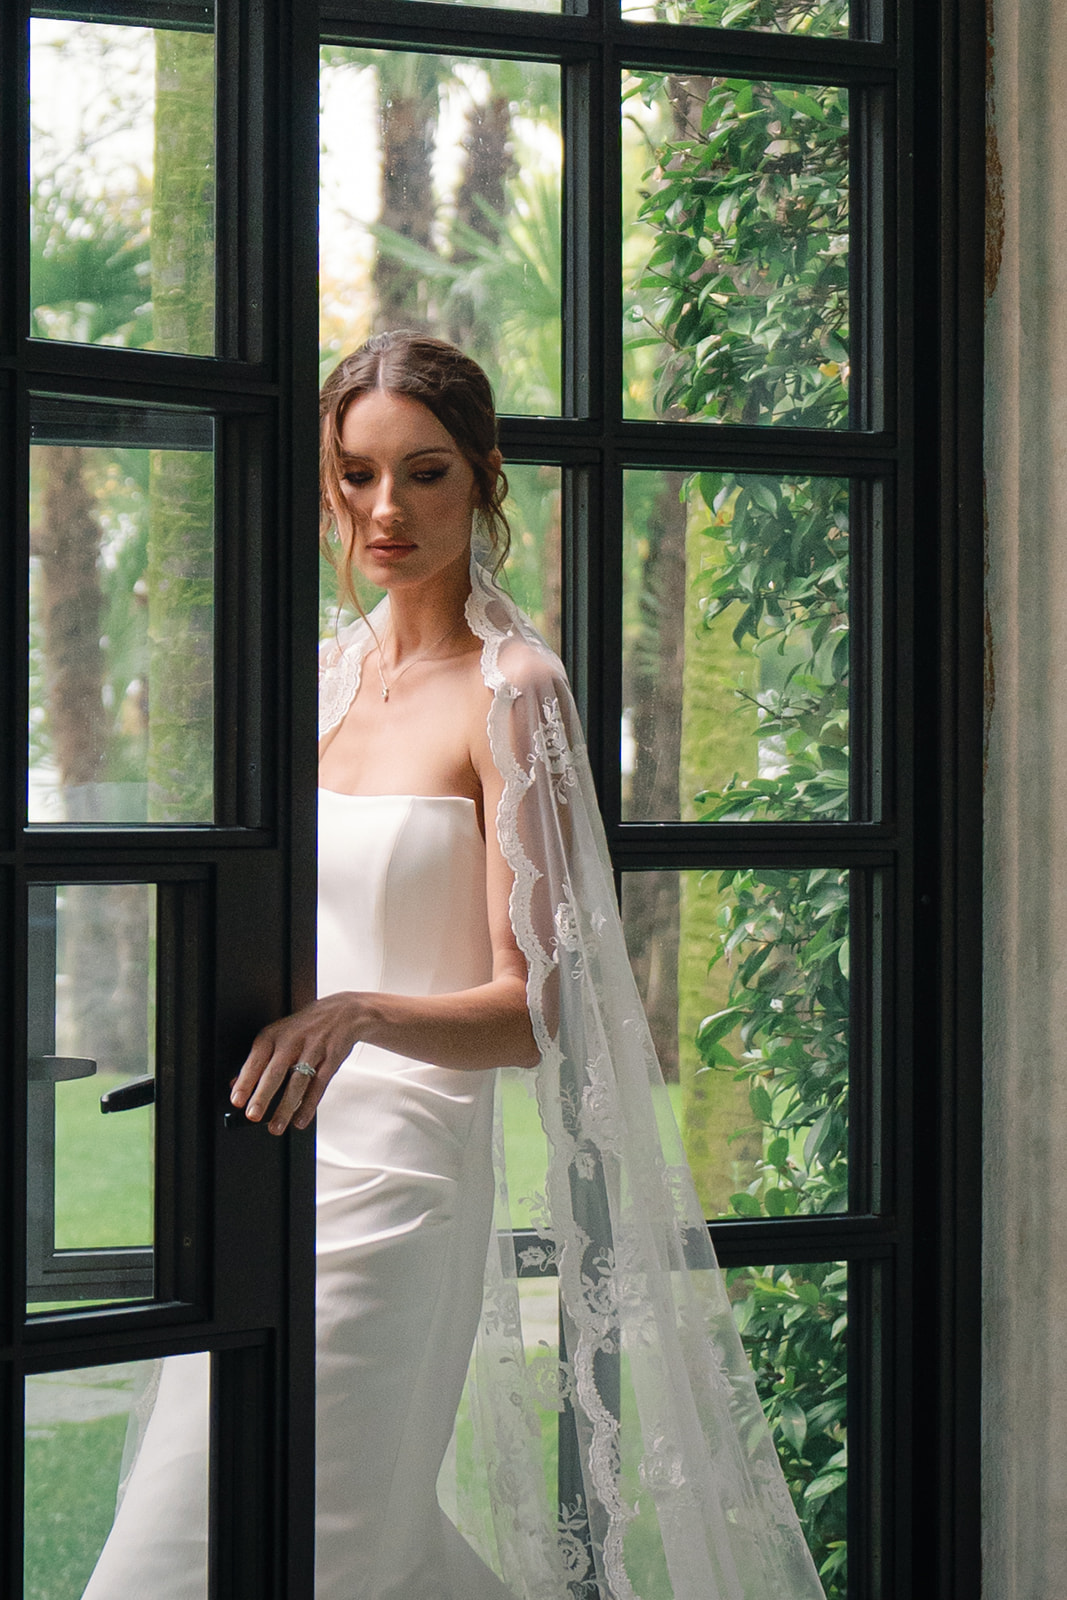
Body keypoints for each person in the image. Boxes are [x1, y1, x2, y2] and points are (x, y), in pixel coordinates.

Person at [85, 333, 826, 1600]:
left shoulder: (514, 691)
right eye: (356, 474)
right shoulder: (315, 680)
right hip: (270, 1160)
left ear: (483, 481)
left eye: (423, 474)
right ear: (326, 484)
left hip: (402, 1185)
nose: (386, 508)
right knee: (321, 1542)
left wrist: (363, 1012)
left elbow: (538, 1013)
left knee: (267, 1543)